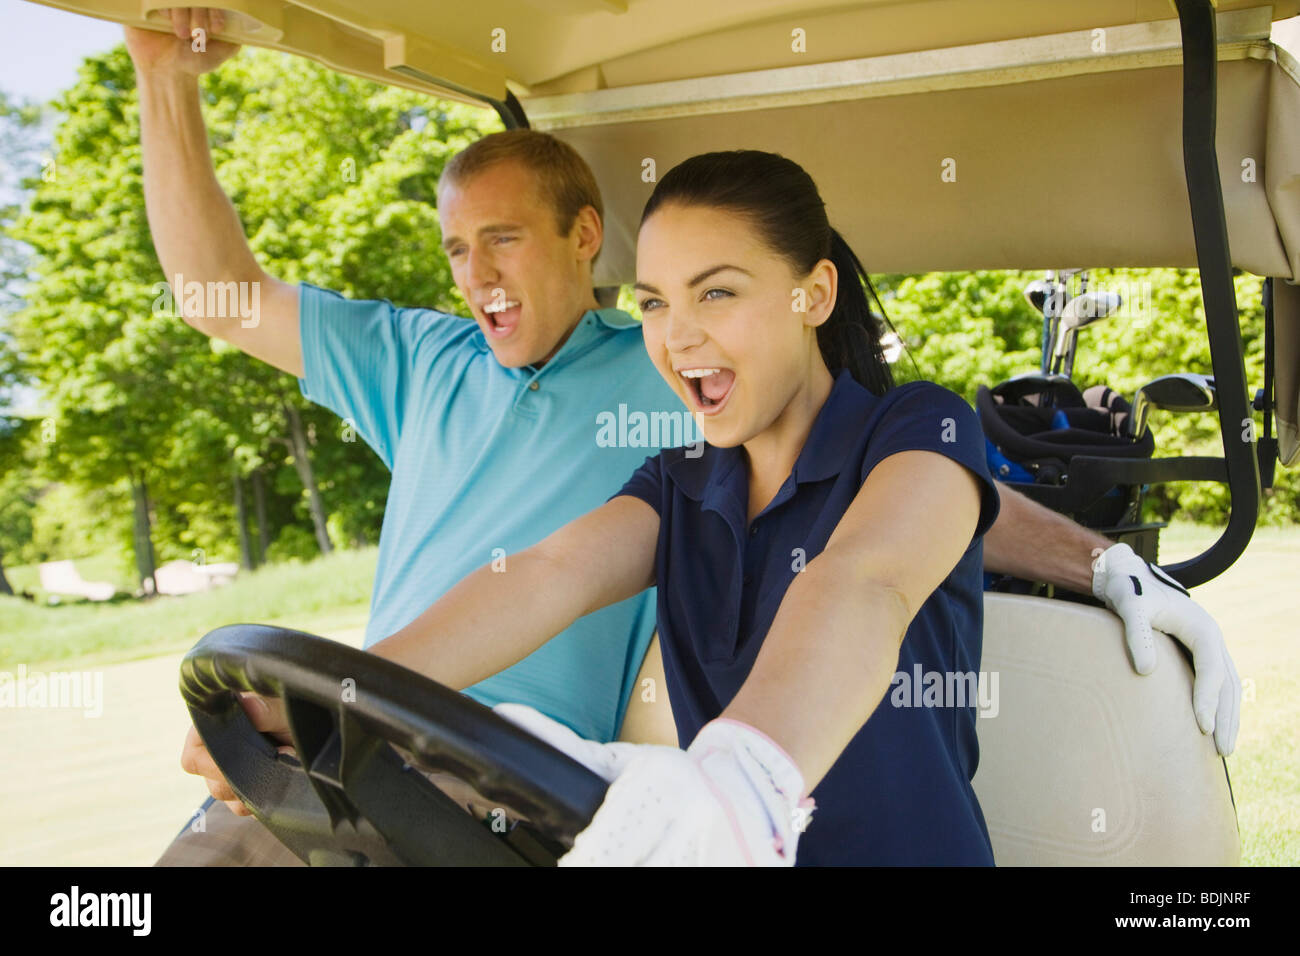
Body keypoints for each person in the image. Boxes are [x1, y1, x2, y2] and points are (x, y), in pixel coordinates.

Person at [131, 8, 1239, 867]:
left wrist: (740, 780)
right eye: (656, 302)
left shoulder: (915, 430)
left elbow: (861, 579)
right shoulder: (673, 484)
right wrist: (333, 695)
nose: (678, 334)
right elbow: (542, 576)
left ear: (810, 295)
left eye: (717, 292)